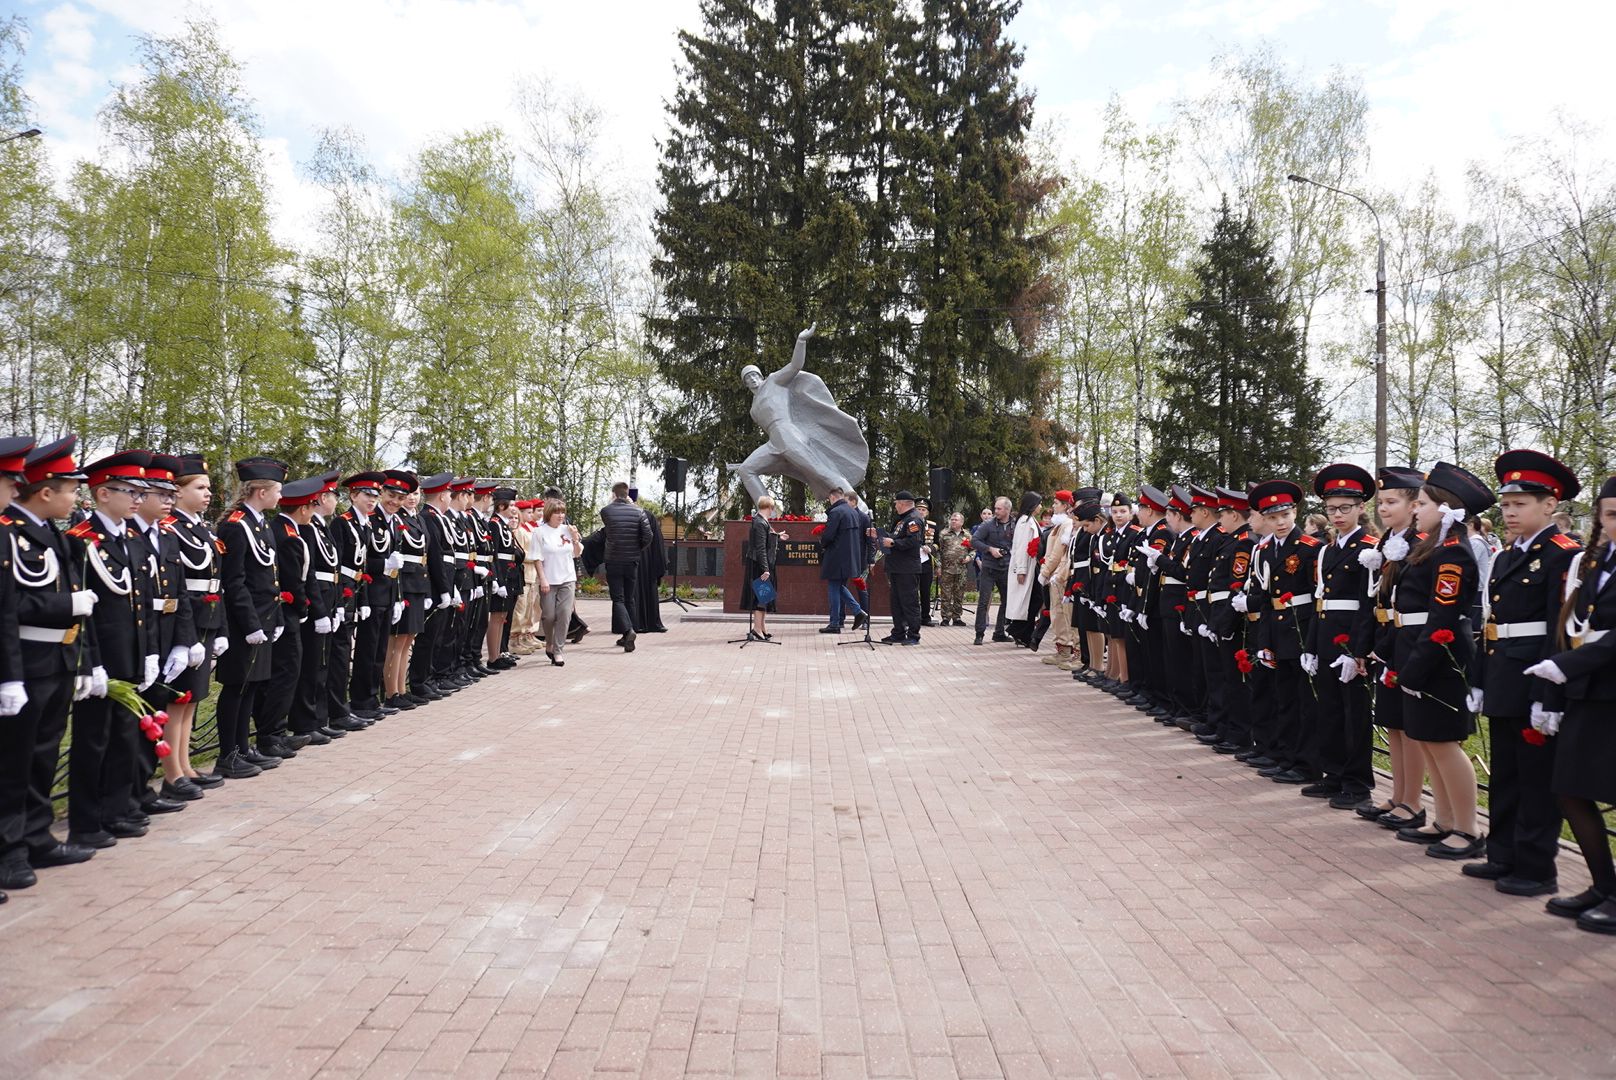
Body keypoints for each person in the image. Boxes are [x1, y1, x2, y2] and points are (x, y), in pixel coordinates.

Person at [1462, 450, 1581, 898]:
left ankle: (1536, 867)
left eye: (1520, 504)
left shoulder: (1562, 555)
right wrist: (1478, 678)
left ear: (1549, 505)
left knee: (1535, 778)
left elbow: (1559, 631)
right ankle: (1503, 853)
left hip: (1535, 676)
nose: (1509, 513)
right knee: (1507, 772)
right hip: (1502, 672)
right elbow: (1492, 623)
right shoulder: (1510, 553)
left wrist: (1549, 696)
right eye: (1506, 505)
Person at [1, 438, 98, 892]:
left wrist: (83, 662)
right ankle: (10, 851)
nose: (76, 498)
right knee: (14, 761)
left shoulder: (54, 533)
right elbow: (10, 607)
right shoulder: (10, 532)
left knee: (43, 756)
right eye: (72, 490)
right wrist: (65, 605)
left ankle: (37, 838)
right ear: (45, 492)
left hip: (58, 657)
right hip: (26, 660)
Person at [1388, 462, 1495, 860]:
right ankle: (1446, 819)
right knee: (1428, 740)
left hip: (1440, 657)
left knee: (1444, 744)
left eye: (1423, 503)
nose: (1416, 509)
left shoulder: (1453, 554)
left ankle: (1468, 828)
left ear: (1446, 507)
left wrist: (1416, 668)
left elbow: (1442, 618)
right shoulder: (1433, 547)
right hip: (1418, 649)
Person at [1526, 475, 1616, 932]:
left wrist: (1568, 666)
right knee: (1570, 788)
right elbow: (1573, 624)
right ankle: (1603, 885)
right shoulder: (1598, 561)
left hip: (1605, 684)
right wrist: (1555, 691)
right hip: (1587, 687)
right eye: (1612, 514)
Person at [64, 450, 160, 846]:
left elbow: (144, 601)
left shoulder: (132, 539)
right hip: (101, 655)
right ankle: (87, 822)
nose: (138, 499)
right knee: (93, 741)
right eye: (130, 491)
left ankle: (119, 809)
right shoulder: (81, 541)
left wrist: (150, 651)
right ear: (103, 493)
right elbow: (81, 611)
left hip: (131, 652)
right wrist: (90, 663)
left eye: (140, 492)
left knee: (124, 734)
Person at [124, 453, 200, 814]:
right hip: (140, 638)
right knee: (137, 720)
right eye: (162, 494)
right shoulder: (129, 536)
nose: (169, 501)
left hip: (168, 634)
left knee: (156, 714)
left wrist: (185, 641)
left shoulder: (166, 537)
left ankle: (143, 790)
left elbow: (180, 593)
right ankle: (131, 794)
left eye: (172, 494)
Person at [1304, 464, 1380, 811]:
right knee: (1330, 709)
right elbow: (1320, 600)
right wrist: (1310, 645)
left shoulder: (1370, 549)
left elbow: (1369, 604)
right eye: (1331, 508)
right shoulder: (1328, 550)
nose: (1337, 515)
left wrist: (1358, 650)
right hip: (1326, 636)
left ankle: (1357, 783)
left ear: (1361, 508)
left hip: (1351, 640)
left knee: (1355, 714)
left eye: (1345, 508)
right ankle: (1333, 774)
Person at [1358, 467, 1429, 830]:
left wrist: (1384, 645)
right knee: (1393, 724)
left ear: (1414, 505)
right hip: (1387, 640)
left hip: (1405, 642)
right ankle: (1399, 795)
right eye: (1381, 502)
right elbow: (1375, 602)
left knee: (1409, 727)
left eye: (1391, 501)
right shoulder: (1387, 543)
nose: (1383, 508)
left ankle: (1413, 802)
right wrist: (1367, 646)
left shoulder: (1421, 544)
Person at [212, 457, 290, 779]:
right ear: (261, 491)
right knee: (237, 687)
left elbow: (271, 576)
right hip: (244, 622)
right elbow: (234, 581)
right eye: (277, 490)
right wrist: (250, 623)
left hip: (265, 616)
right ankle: (228, 754)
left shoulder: (259, 523)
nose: (280, 496)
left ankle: (243, 748)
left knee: (253, 686)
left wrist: (277, 616)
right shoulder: (236, 525)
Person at [161, 454, 230, 788]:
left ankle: (186, 766)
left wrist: (221, 628)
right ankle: (172, 772)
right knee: (178, 701)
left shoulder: (200, 528)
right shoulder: (171, 528)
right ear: (178, 491)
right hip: (186, 624)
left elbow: (217, 582)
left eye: (208, 487)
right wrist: (187, 638)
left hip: (206, 620)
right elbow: (179, 587)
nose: (208, 493)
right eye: (200, 487)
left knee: (192, 699)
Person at [1248, 480, 1322, 785]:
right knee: (1285, 699)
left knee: (1305, 702)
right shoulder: (1265, 551)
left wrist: (1312, 644)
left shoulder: (1310, 548)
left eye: (1285, 515)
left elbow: (1318, 600)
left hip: (1301, 629)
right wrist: (1264, 643)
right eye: (1273, 517)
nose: (1280, 522)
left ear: (1295, 513)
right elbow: (1266, 600)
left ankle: (1307, 764)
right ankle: (1286, 757)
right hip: (1277, 631)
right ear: (1265, 519)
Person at [290, 471, 344, 741]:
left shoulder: (320, 527)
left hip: (328, 599)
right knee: (312, 665)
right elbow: (309, 573)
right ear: (323, 498)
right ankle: (306, 722)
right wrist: (320, 610)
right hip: (316, 603)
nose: (336, 501)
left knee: (322, 664)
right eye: (334, 496)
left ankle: (319, 718)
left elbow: (333, 569)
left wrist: (338, 604)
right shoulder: (308, 528)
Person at [601, 481, 652, 652]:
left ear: (614, 494)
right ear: (627, 494)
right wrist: (637, 548)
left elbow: (608, 530)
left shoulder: (606, 511)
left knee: (618, 599)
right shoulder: (639, 511)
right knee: (629, 598)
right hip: (632, 561)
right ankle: (627, 636)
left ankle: (628, 631)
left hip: (613, 560)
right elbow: (648, 536)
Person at [531, 499, 582, 665]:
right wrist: (543, 578)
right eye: (557, 512)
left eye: (562, 512)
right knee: (549, 616)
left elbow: (576, 554)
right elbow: (537, 558)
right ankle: (549, 642)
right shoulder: (539, 532)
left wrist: (575, 538)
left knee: (564, 614)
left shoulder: (568, 530)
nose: (561, 516)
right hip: (548, 580)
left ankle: (558, 650)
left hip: (567, 579)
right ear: (549, 513)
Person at [876, 491, 925, 645]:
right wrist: (880, 536)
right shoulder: (901, 520)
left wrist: (892, 543)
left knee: (909, 602)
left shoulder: (913, 520)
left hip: (907, 568)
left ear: (902, 503)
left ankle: (913, 635)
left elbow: (913, 541)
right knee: (896, 602)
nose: (895, 506)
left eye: (896, 503)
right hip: (896, 567)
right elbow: (896, 537)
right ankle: (898, 632)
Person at [816, 486, 866, 633]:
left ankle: (835, 623)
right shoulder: (852, 511)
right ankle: (857, 612)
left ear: (832, 497)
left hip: (836, 556)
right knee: (838, 587)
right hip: (849, 557)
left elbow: (829, 536)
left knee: (834, 588)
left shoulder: (836, 512)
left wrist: (821, 541)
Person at [1037, 491, 1077, 667]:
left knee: (1062, 614)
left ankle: (1068, 651)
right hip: (1056, 574)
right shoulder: (1059, 524)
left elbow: (1057, 553)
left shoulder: (1066, 524)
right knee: (1057, 614)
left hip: (1061, 574)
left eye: (1056, 503)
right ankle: (1062, 649)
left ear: (1066, 506)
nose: (1053, 506)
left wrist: (1045, 572)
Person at [971, 497, 1015, 645]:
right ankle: (979, 634)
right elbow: (974, 540)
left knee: (1006, 601)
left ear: (1007, 510)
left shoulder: (1016, 525)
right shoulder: (988, 525)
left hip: (1007, 567)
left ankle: (999, 633)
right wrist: (990, 549)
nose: (995, 511)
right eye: (995, 508)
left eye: (999, 509)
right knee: (984, 601)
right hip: (989, 567)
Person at [741, 496, 783, 642]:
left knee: (765, 597)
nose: (773, 511)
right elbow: (760, 548)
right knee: (761, 597)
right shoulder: (759, 523)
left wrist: (777, 536)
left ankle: (762, 628)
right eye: (773, 508)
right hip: (759, 565)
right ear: (769, 508)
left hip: (761, 564)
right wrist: (765, 569)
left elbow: (765, 539)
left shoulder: (761, 521)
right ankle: (757, 629)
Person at [1004, 491, 1042, 645]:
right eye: (1039, 504)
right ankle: (1019, 631)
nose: (1041, 507)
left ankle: (1022, 632)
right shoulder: (1025, 522)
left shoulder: (1030, 520)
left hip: (1033, 565)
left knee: (1033, 599)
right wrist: (1021, 570)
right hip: (1026, 565)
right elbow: (1021, 547)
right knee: (1032, 600)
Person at [630, 489, 668, 634]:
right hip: (646, 561)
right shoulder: (647, 515)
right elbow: (657, 542)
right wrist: (659, 563)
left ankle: (631, 625)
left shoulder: (619, 516)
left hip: (632, 560)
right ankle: (651, 623)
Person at [937, 512, 971, 626]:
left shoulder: (967, 535)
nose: (953, 521)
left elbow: (973, 550)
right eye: (952, 519)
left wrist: (969, 557)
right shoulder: (944, 534)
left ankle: (957, 617)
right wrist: (938, 566)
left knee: (959, 594)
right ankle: (945, 618)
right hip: (946, 569)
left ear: (962, 522)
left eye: (956, 520)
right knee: (946, 594)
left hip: (961, 570)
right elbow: (938, 551)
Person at [916, 498, 938, 626]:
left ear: (927, 512)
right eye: (918, 509)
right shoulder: (910, 523)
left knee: (925, 590)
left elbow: (937, 543)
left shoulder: (933, 525)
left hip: (927, 561)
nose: (921, 511)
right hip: (913, 560)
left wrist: (931, 548)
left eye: (923, 510)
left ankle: (925, 617)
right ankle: (912, 617)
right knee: (912, 591)